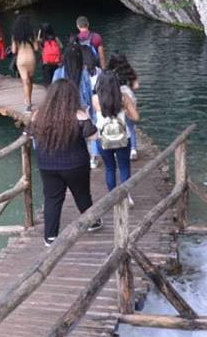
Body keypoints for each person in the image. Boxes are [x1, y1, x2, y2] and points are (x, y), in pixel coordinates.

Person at [30, 79, 103, 246]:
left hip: (47, 164)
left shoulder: (38, 115)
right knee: (82, 194)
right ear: (71, 96)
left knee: (52, 198)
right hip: (75, 164)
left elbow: (30, 135)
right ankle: (91, 222)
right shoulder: (78, 115)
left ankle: (50, 236)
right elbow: (93, 136)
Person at [92, 70, 140, 192]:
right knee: (124, 167)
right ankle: (125, 196)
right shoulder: (124, 97)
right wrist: (126, 112)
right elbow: (136, 118)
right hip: (123, 137)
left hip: (103, 138)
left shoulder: (96, 99)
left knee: (110, 168)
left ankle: (112, 196)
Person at [109, 53, 141, 160]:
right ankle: (133, 150)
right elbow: (136, 86)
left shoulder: (110, 72)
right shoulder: (129, 70)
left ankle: (116, 148)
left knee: (117, 122)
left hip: (115, 95)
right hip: (128, 95)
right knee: (130, 125)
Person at [11, 15, 38, 112]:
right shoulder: (32, 33)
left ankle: (28, 103)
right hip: (31, 58)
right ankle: (29, 100)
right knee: (30, 80)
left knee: (25, 82)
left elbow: (14, 51)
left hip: (21, 59)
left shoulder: (15, 35)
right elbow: (36, 48)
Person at [39, 23, 61, 88]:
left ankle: (49, 94)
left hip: (46, 63)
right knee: (56, 80)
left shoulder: (42, 40)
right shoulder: (55, 38)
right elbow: (61, 47)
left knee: (48, 82)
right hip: (56, 62)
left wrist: (40, 32)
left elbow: (38, 47)